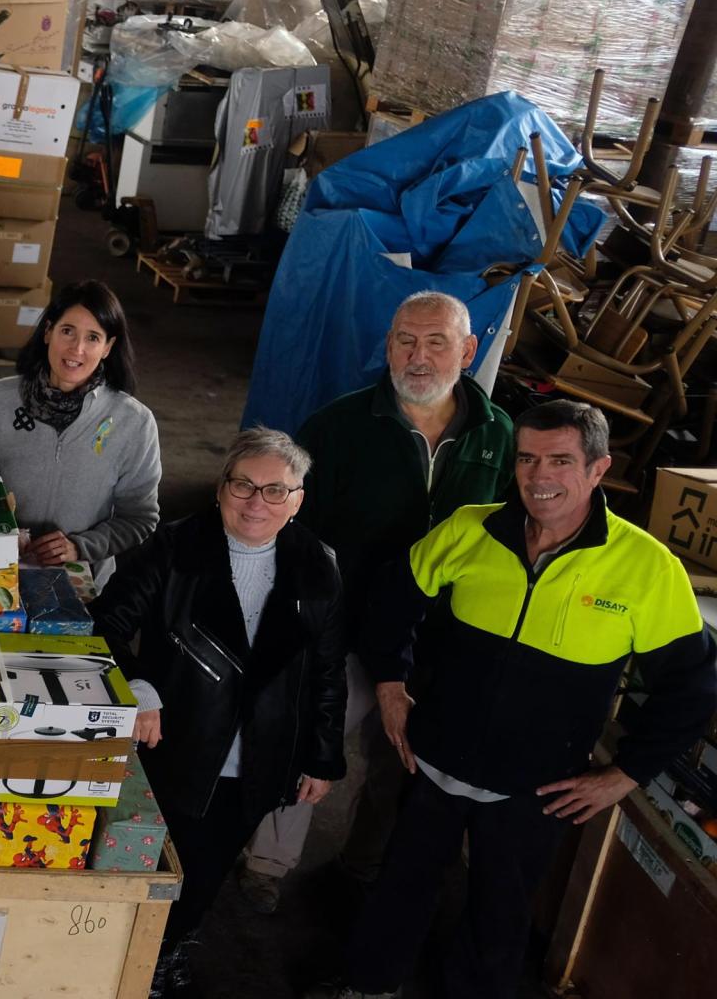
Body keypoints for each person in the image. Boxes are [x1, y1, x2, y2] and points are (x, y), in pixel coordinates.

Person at [316, 401, 716, 999]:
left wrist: (626, 774)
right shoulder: (471, 528)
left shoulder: (646, 568)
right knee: (401, 885)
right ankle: (369, 985)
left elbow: (693, 685)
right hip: (434, 760)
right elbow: (392, 599)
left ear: (598, 468)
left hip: (538, 788)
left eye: (560, 460)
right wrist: (390, 685)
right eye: (527, 458)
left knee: (498, 915)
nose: (538, 477)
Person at [240, 291, 515, 911]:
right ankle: (266, 864)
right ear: (388, 346)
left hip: (439, 634)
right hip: (345, 621)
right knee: (312, 737)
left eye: (436, 342)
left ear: (468, 351)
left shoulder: (495, 435)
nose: (418, 356)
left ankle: (363, 864)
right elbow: (292, 529)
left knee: (403, 757)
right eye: (405, 341)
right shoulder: (338, 426)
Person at [90, 428, 347, 999]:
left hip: (260, 755)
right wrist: (138, 687)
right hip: (176, 746)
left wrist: (323, 757)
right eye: (243, 485)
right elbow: (103, 623)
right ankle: (115, 959)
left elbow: (326, 671)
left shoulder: (316, 563)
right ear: (220, 488)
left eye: (276, 491)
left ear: (298, 499)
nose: (257, 502)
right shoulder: (174, 547)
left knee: (204, 873)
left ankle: (163, 958)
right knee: (146, 863)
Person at [0, 281, 160, 585]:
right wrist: (0, 530)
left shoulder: (134, 422)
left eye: (93, 337)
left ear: (108, 347)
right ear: (48, 332)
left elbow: (140, 516)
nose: (77, 349)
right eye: (67, 331)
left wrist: (80, 546)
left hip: (82, 582)